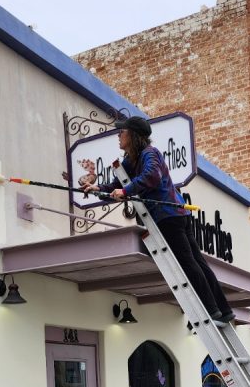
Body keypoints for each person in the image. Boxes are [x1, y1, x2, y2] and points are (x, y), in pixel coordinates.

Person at [80, 116, 235, 324]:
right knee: (196, 262)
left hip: (168, 215)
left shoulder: (150, 154)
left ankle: (211, 309)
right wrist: (98, 188)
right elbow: (117, 184)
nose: (118, 135)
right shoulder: (131, 160)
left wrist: (125, 191)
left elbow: (151, 177)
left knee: (188, 262)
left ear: (133, 135)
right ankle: (223, 310)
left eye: (122, 132)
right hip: (174, 214)